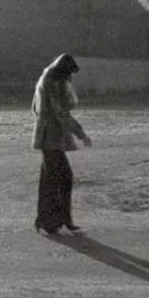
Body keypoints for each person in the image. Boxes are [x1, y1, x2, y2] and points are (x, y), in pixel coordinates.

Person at [31, 53, 92, 234]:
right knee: (62, 178)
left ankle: (49, 220)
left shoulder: (45, 79)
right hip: (52, 138)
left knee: (50, 180)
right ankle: (57, 219)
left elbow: (35, 108)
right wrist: (81, 134)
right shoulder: (54, 83)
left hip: (47, 137)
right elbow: (61, 113)